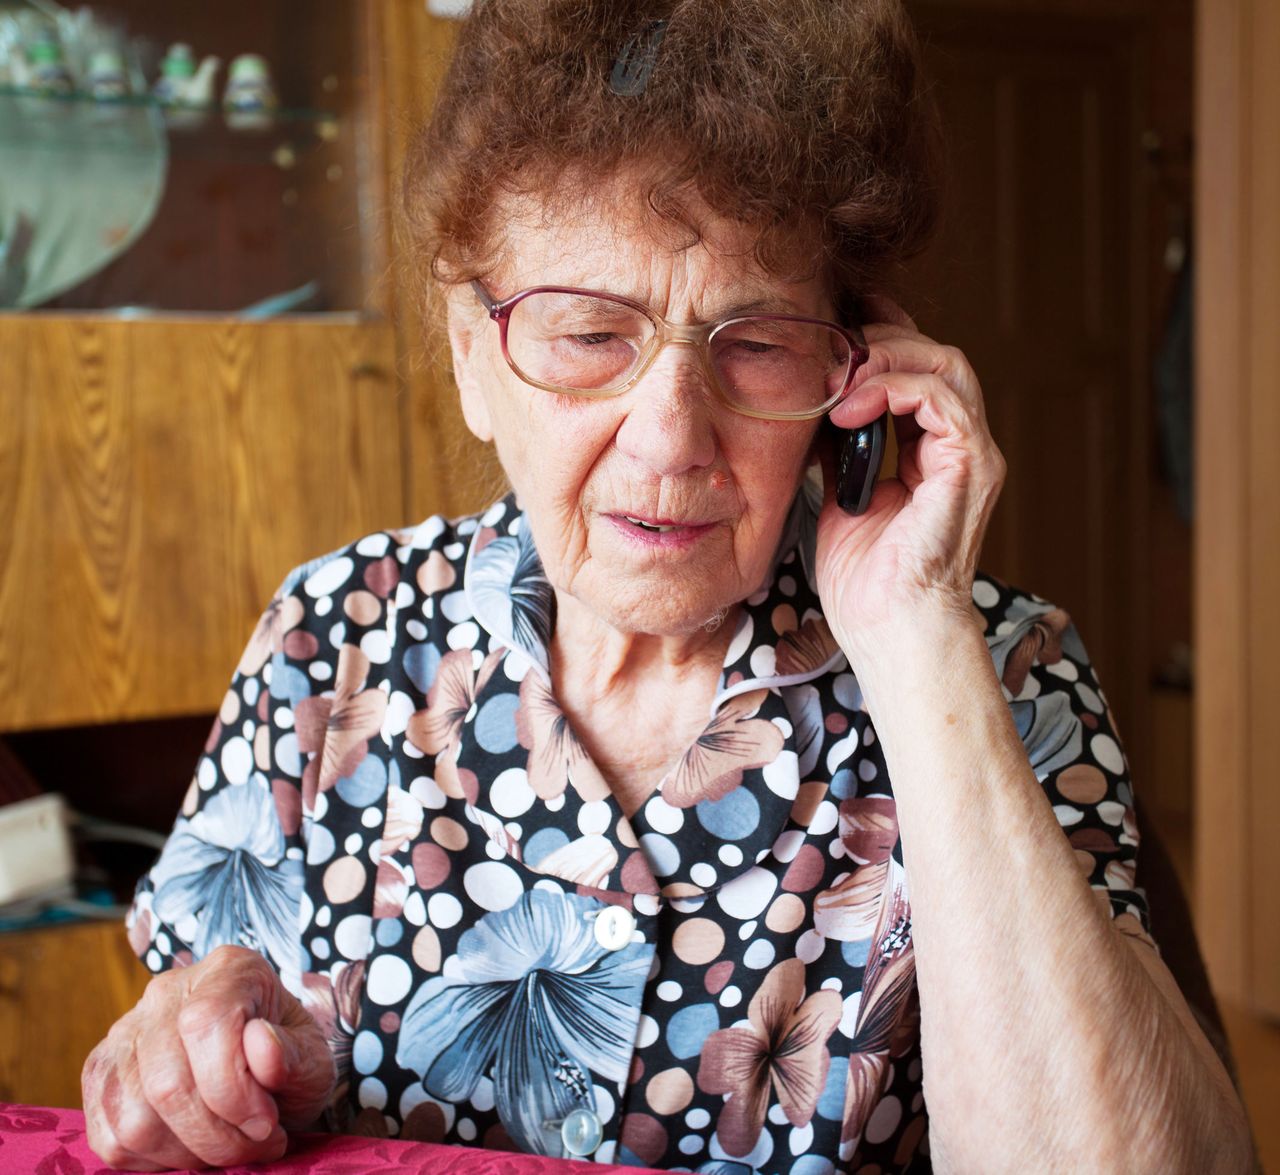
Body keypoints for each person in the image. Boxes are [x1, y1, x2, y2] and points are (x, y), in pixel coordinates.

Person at [82, 1, 1252, 1171]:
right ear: (468, 356)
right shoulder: (328, 635)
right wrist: (188, 1041)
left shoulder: (996, 666)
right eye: (590, 333)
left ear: (855, 372)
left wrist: (914, 636)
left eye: (755, 342)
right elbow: (183, 1055)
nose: (669, 439)